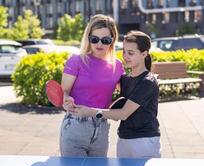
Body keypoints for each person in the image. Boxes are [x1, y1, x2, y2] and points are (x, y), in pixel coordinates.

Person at [72, 31, 161, 158]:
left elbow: (123, 114)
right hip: (124, 139)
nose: (125, 56)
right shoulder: (125, 79)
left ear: (144, 54)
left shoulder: (148, 82)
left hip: (145, 141)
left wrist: (89, 112)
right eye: (124, 51)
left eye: (131, 53)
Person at [60, 14, 125, 157]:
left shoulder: (118, 65)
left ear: (112, 40)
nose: (99, 44)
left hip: (102, 127)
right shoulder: (76, 60)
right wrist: (66, 100)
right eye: (94, 39)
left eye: (105, 40)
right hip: (75, 125)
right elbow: (64, 92)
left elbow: (126, 95)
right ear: (88, 38)